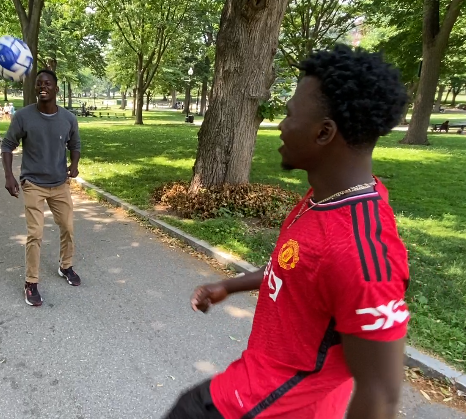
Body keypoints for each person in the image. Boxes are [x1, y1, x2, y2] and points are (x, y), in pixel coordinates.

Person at [165, 45, 410, 419]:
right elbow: (295, 269)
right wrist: (229, 286)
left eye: (289, 115)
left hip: (268, 406)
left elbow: (381, 393)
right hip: (258, 381)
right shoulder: (322, 199)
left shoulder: (361, 254)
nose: (280, 125)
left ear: (323, 133)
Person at [1, 69, 82, 307]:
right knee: (35, 233)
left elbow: (75, 144)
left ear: (56, 89)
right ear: (35, 88)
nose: (42, 87)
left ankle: (66, 267)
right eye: (38, 84)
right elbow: (7, 145)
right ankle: (31, 282)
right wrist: (9, 176)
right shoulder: (24, 116)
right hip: (33, 184)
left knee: (68, 227)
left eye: (47, 83)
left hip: (59, 184)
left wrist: (74, 164)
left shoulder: (68, 118)